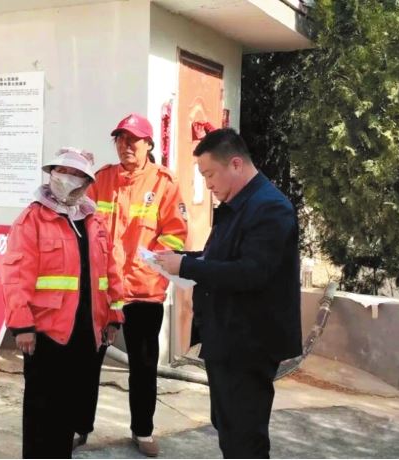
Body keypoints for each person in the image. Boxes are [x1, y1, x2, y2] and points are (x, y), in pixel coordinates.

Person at [155, 128, 302, 459]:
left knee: (244, 436)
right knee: (228, 426)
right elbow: (220, 259)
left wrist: (187, 267)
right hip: (226, 336)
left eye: (210, 174)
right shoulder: (238, 205)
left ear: (236, 164)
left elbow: (251, 272)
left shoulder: (270, 208)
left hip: (250, 341)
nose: (207, 184)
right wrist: (180, 260)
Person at [2, 148, 125, 459]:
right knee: (41, 412)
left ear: (87, 182)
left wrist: (113, 316)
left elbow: (110, 271)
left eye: (77, 175)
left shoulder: (94, 219)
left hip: (86, 333)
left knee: (69, 411)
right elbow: (16, 275)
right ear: (52, 174)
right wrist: (22, 325)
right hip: (46, 334)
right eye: (63, 171)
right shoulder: (32, 219)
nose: (68, 179)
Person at [87, 113, 188, 457]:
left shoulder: (164, 183)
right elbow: (85, 226)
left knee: (143, 368)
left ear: (148, 145)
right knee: (88, 364)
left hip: (143, 293)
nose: (125, 146)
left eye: (133, 140)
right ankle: (79, 427)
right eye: (120, 139)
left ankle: (142, 431)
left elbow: (176, 235)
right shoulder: (101, 180)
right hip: (103, 292)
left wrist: (151, 268)